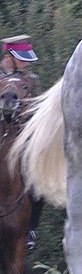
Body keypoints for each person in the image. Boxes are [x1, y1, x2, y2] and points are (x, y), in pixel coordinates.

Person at [2, 35, 44, 252]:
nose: (27, 63)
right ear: (9, 56)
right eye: (22, 59)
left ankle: (30, 229)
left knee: (38, 180)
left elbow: (37, 109)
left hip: (20, 137)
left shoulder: (31, 80)